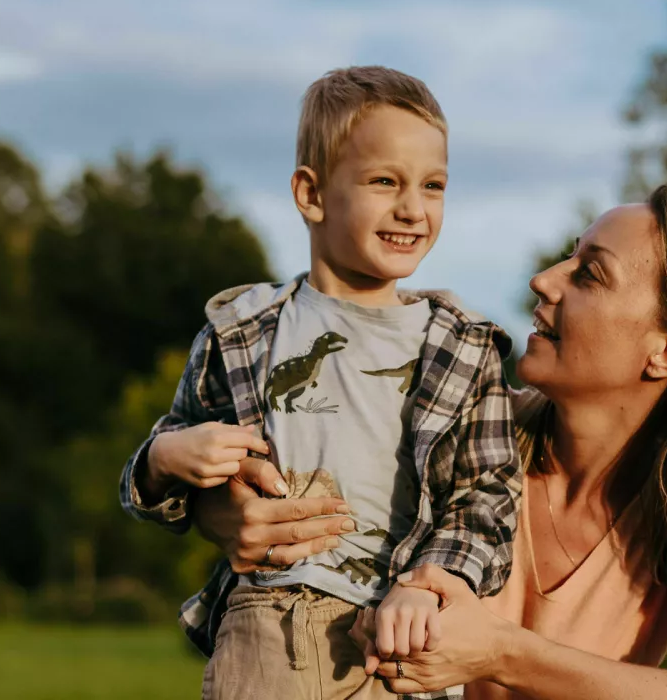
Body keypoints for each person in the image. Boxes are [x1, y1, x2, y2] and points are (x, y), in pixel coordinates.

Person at [189, 181, 667, 699]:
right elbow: (271, 452)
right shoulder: (450, 433)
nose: (543, 280)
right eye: (568, 256)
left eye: (589, 274)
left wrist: (503, 654)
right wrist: (225, 509)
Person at [119, 66, 520, 700]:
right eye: (384, 181)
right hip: (268, 629)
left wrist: (430, 581)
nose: (413, 208)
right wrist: (168, 456)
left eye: (433, 185)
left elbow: (487, 494)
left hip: (402, 644)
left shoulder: (463, 346)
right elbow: (159, 468)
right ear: (311, 195)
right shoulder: (243, 330)